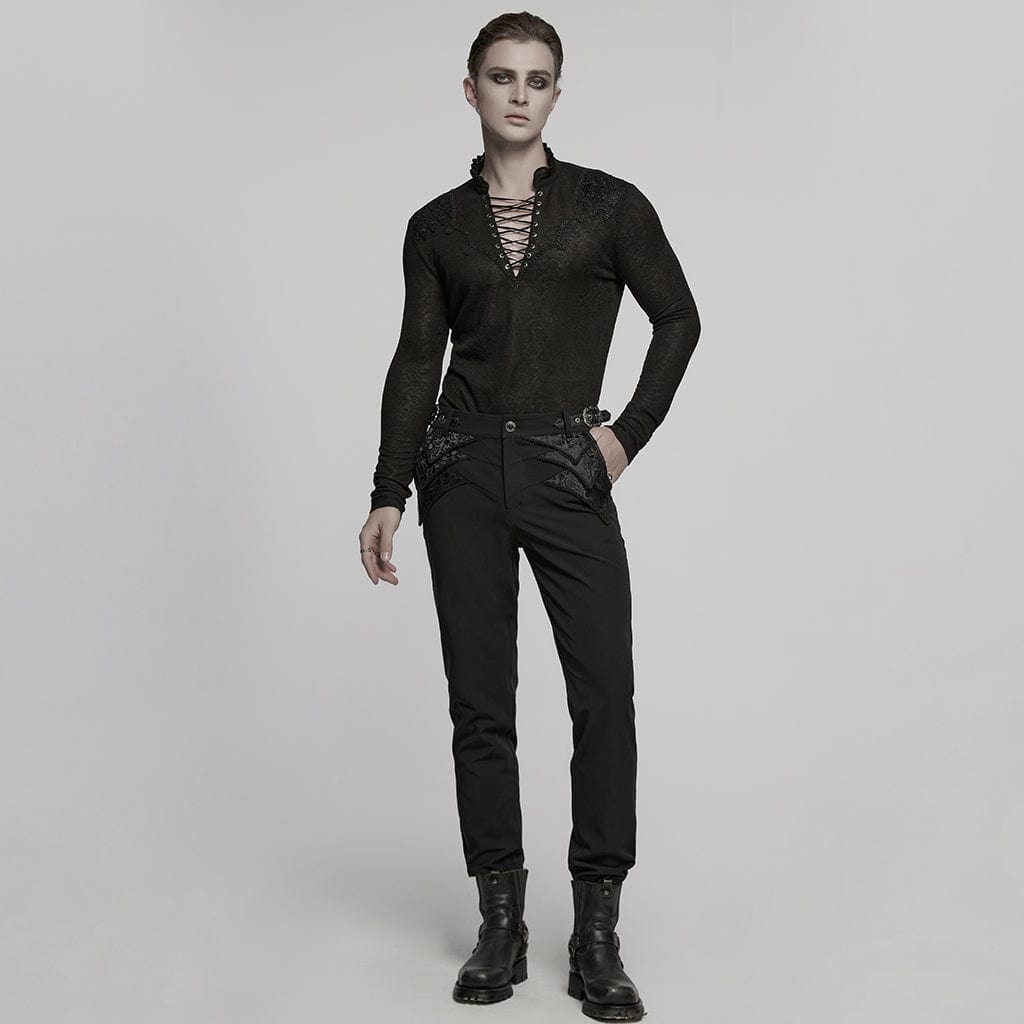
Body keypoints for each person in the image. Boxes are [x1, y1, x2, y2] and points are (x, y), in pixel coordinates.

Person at [358, 12, 700, 1020]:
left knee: (604, 696)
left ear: (556, 92)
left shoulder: (607, 206)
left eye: (536, 78)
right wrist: (388, 490)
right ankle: (499, 924)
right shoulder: (436, 227)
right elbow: (417, 358)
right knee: (481, 705)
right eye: (501, 77)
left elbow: (678, 318)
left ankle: (596, 934)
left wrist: (626, 435)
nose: (518, 94)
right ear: (471, 90)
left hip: (565, 469)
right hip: (460, 472)